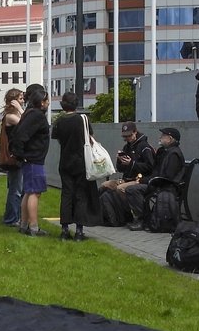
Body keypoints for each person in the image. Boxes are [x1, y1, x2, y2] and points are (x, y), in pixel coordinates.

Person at [51, 92, 100, 240]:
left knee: (66, 194)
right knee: (80, 195)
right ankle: (79, 230)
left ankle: (65, 230)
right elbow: (90, 138)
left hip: (65, 161)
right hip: (81, 162)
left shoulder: (59, 121)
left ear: (62, 105)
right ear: (76, 104)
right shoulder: (82, 119)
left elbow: (58, 139)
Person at [8, 84, 51, 237]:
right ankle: (33, 227)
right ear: (41, 102)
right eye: (47, 101)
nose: (48, 103)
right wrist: (21, 154)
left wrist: (21, 155)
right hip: (34, 159)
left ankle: (24, 224)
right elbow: (21, 136)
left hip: (30, 159)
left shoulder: (29, 114)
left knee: (29, 192)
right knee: (34, 193)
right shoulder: (37, 116)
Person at [99, 122, 155, 227]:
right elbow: (121, 169)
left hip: (140, 180)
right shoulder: (127, 147)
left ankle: (129, 215)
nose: (127, 138)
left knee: (120, 189)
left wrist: (132, 163)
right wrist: (120, 160)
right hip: (127, 179)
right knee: (105, 185)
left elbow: (150, 167)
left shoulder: (145, 147)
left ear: (135, 132)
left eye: (129, 135)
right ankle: (105, 214)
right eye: (124, 136)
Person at [133, 126, 187, 232]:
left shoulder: (174, 154)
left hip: (166, 188)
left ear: (170, 139)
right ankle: (145, 219)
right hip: (159, 184)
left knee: (133, 190)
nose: (160, 137)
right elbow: (156, 170)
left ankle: (144, 220)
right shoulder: (164, 151)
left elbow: (167, 177)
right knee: (133, 188)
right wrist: (145, 179)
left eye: (163, 136)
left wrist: (146, 181)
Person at [0, 88, 25, 227]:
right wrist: (20, 109)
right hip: (14, 158)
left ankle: (15, 217)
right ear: (13, 101)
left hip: (16, 157)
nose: (23, 101)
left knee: (17, 188)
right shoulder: (11, 117)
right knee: (16, 189)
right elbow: (27, 124)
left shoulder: (12, 116)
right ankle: (11, 218)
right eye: (20, 98)